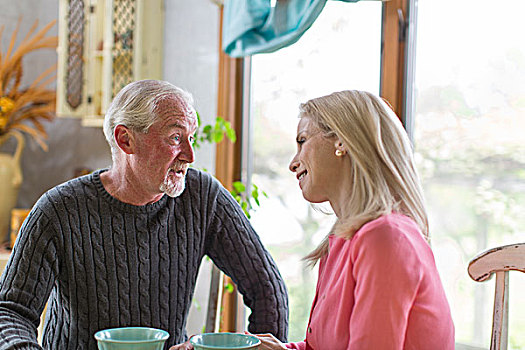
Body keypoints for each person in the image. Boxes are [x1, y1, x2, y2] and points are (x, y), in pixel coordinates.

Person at [0, 80, 289, 349]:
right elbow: (10, 312)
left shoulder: (203, 197)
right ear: (126, 140)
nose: (190, 154)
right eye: (175, 137)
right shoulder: (58, 209)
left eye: (191, 137)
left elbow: (267, 289)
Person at [253, 90, 454, 349]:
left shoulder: (386, 238)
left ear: (341, 141)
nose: (293, 163)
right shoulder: (342, 241)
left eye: (302, 141)